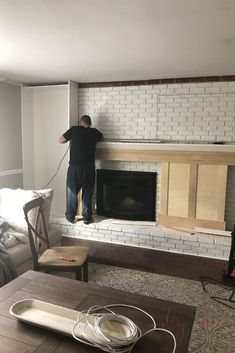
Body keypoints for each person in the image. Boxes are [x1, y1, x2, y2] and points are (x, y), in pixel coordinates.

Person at [59, 115, 102, 224]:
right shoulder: (94, 132)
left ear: (80, 122)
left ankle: (70, 216)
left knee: (72, 192)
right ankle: (87, 218)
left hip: (75, 167)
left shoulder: (74, 129)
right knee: (88, 192)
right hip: (89, 168)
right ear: (90, 123)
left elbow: (61, 140)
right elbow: (101, 137)